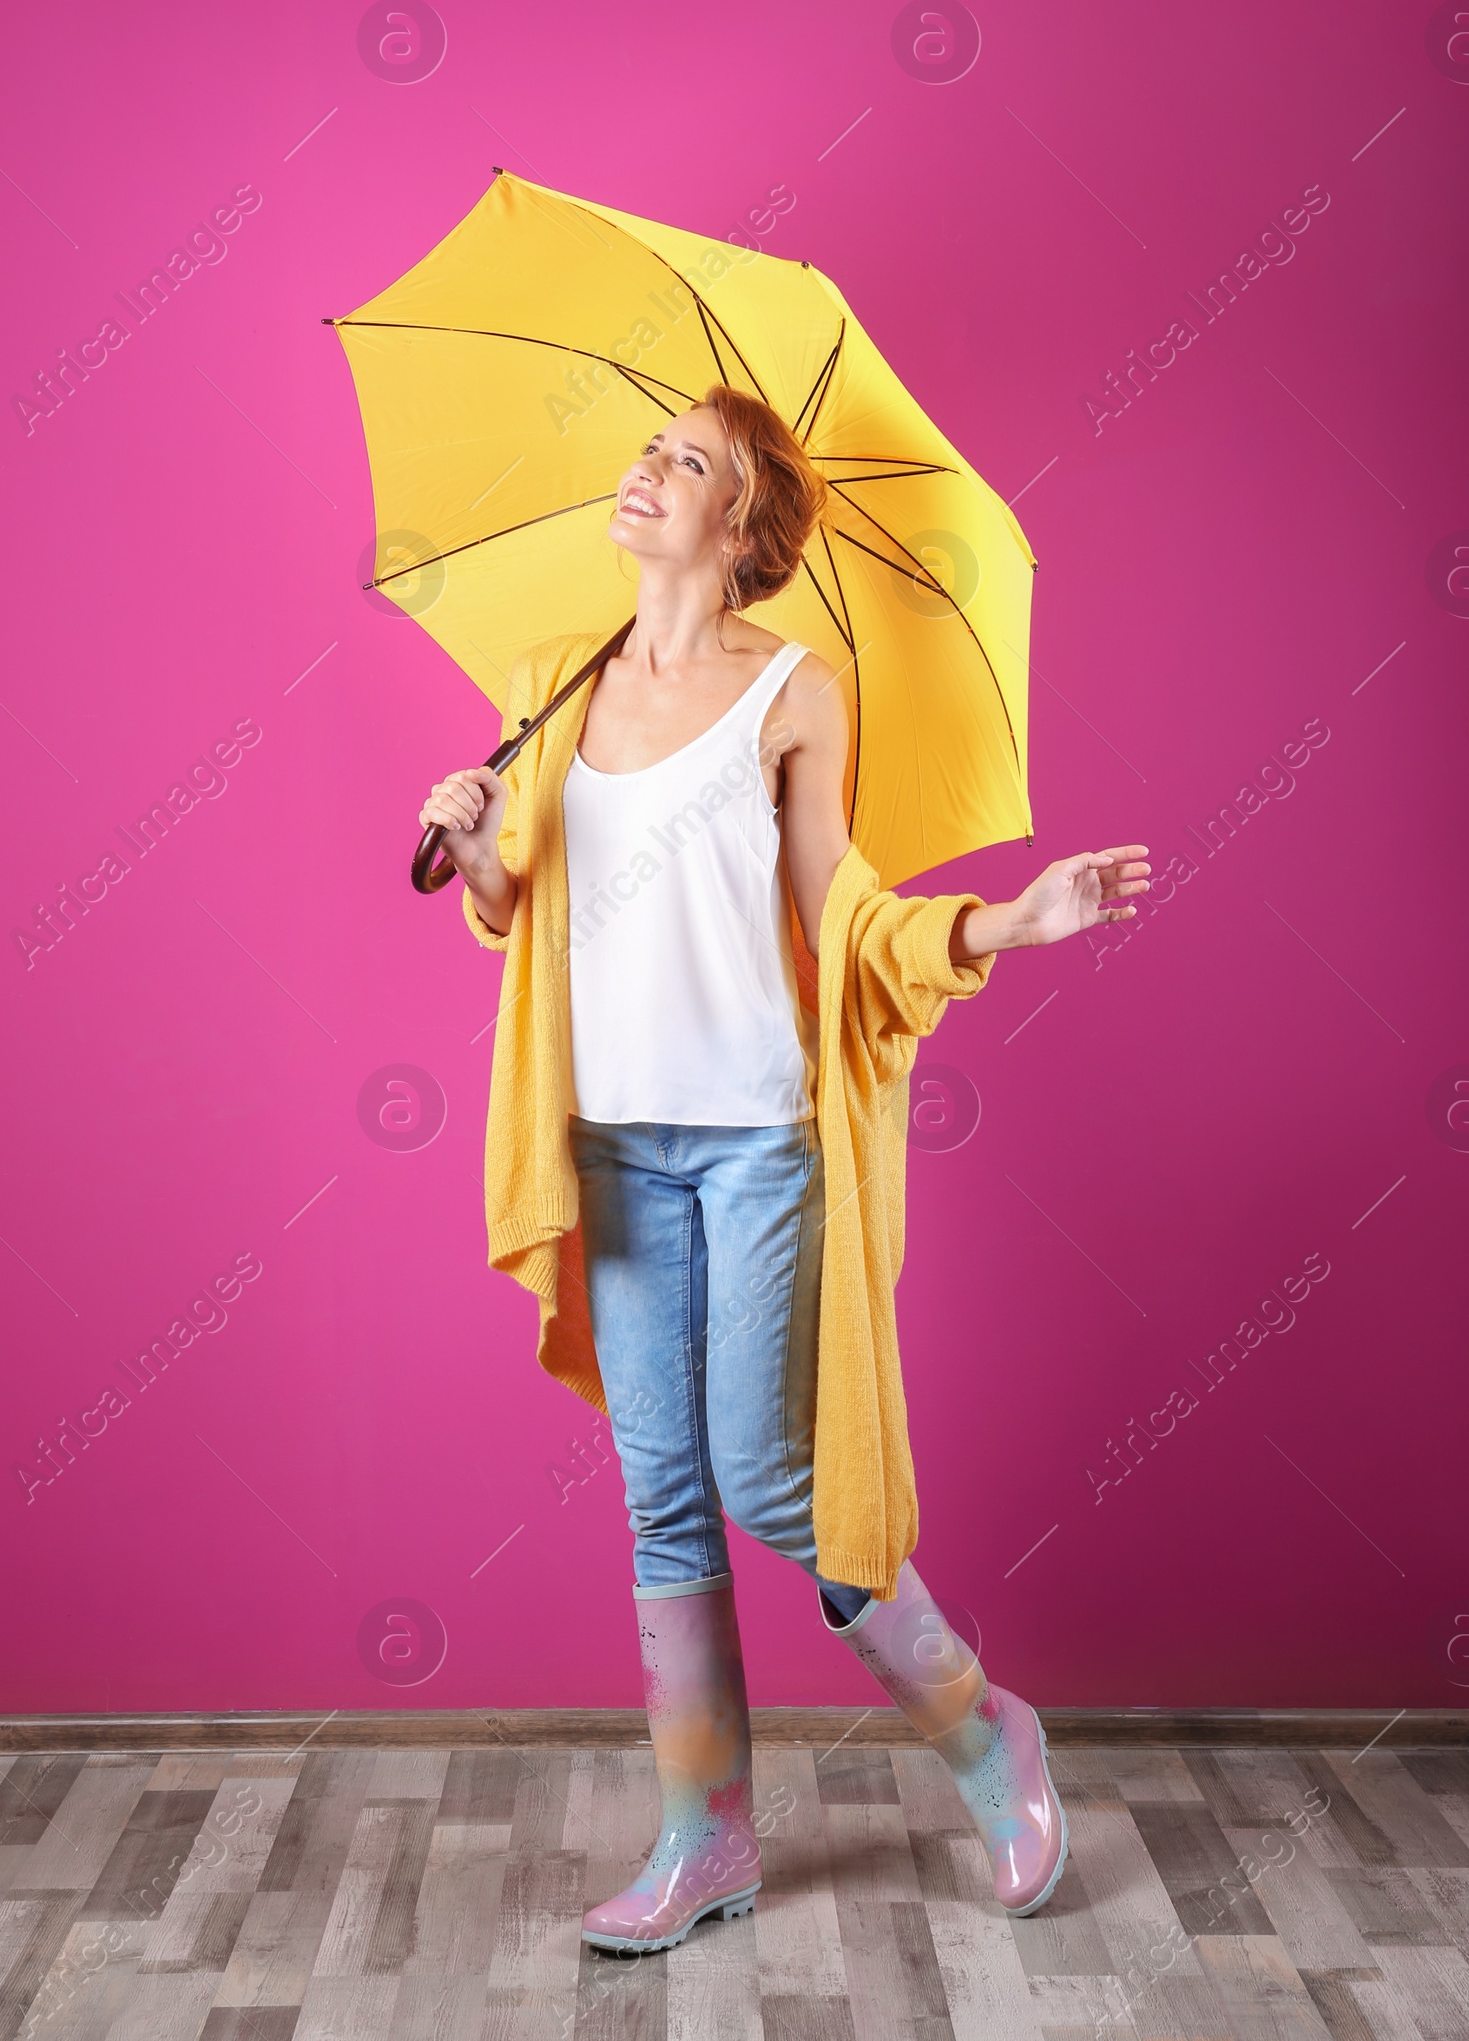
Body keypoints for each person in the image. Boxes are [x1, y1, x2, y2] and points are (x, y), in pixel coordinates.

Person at [420, 387, 1149, 1956]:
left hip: (756, 1143)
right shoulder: (556, 687)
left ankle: (981, 1731)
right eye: (649, 447)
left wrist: (1008, 923)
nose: (644, 469)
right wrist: (474, 840)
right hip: (606, 1143)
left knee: (765, 1480)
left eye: (685, 460)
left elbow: (848, 910)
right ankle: (707, 1842)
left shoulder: (799, 695)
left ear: (741, 526)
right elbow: (521, 908)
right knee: (660, 1499)